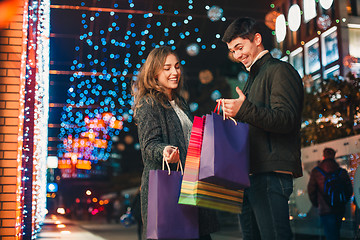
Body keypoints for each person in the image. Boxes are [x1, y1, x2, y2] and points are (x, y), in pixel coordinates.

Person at [220, 17, 304, 240]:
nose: (237, 55)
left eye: (240, 47)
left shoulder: (279, 71)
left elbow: (286, 119)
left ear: (257, 39)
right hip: (250, 173)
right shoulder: (253, 78)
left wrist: (243, 110)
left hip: (270, 173)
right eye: (232, 50)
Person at [132, 46, 219, 240]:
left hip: (192, 184)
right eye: (167, 68)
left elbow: (188, 138)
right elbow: (148, 146)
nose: (175, 72)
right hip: (172, 186)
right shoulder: (149, 103)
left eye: (177, 66)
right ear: (154, 73)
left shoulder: (180, 102)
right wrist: (164, 151)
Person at [307, 148, 353, 240]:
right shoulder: (341, 172)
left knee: (330, 235)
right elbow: (349, 190)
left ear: (323, 156)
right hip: (339, 209)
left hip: (325, 210)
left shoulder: (316, 171)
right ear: (334, 156)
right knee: (336, 234)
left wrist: (317, 204)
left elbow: (311, 190)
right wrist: (342, 202)